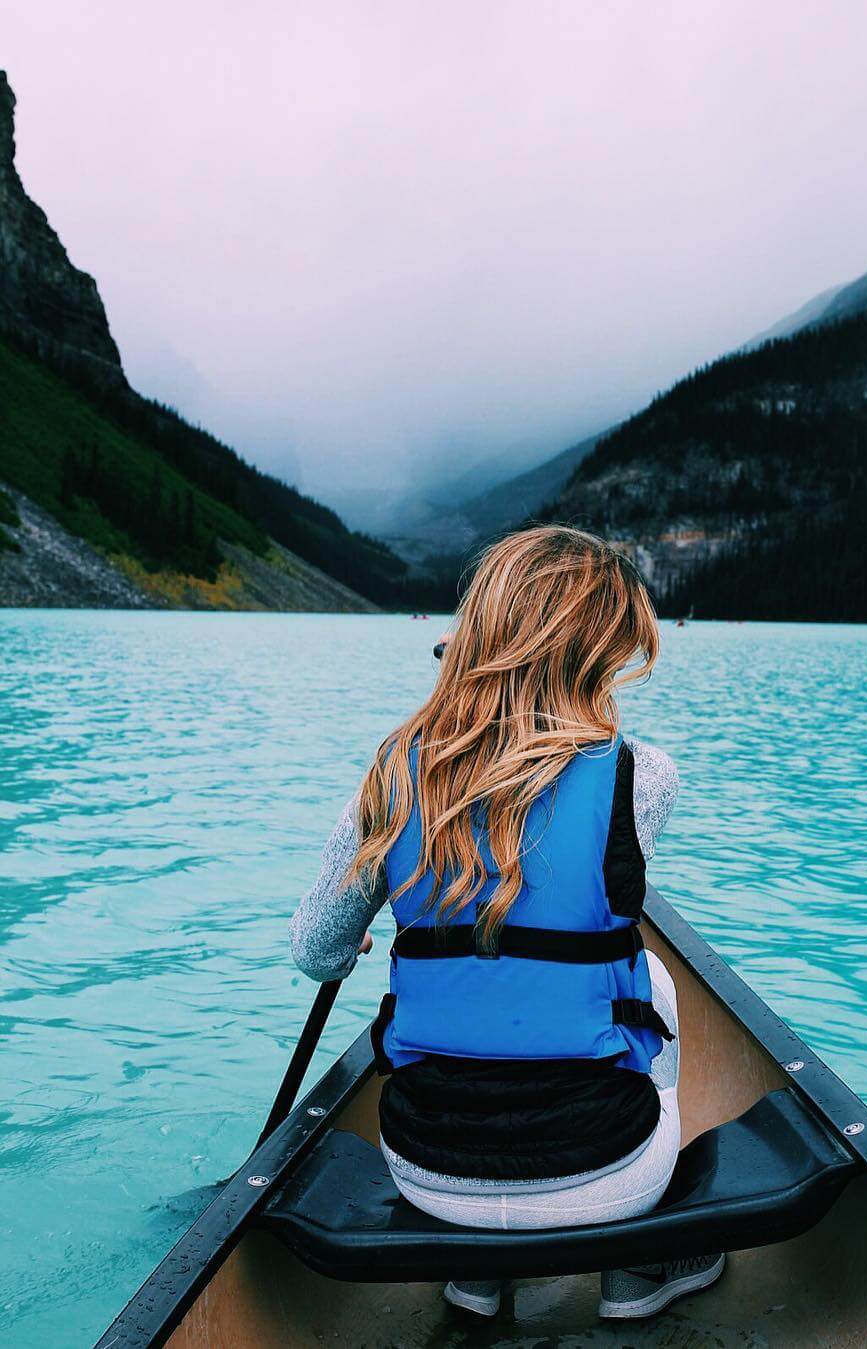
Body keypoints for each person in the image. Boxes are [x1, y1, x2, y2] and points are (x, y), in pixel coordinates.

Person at [289, 525, 725, 1320]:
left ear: (477, 636)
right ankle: (634, 1272)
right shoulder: (644, 775)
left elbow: (317, 953)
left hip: (426, 1172)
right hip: (605, 1175)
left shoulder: (391, 775)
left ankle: (476, 1277)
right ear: (595, 654)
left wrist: (355, 927)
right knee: (652, 981)